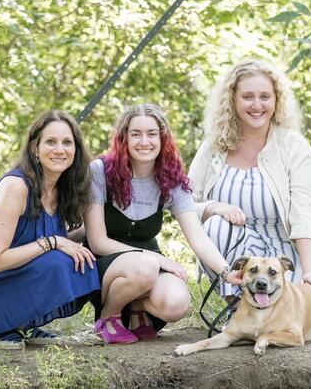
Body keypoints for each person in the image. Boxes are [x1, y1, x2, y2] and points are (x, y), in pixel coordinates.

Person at [84, 103, 238, 344]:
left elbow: (197, 237)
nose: (144, 141)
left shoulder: (171, 178)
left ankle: (137, 305)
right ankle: (108, 316)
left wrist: (227, 272)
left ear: (162, 137)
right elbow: (98, 242)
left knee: (176, 304)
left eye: (152, 134)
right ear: (124, 138)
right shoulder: (100, 171)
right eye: (136, 134)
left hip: (146, 266)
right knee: (145, 266)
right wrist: (158, 259)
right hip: (107, 265)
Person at [0, 110, 100, 348]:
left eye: (67, 142)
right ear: (34, 149)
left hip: (10, 275)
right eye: (50, 142)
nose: (60, 149)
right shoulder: (17, 186)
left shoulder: (62, 189)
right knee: (59, 260)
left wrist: (94, 233)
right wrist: (55, 242)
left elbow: (35, 237)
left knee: (84, 257)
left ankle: (21, 323)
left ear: (76, 150)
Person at [189, 60, 311, 301]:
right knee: (214, 224)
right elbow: (184, 205)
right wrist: (214, 207)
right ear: (233, 100)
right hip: (239, 262)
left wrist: (310, 271)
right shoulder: (213, 147)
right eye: (247, 96)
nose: (257, 105)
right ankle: (236, 308)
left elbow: (305, 213)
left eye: (265, 96)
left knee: (284, 316)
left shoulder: (293, 146)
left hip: (284, 256)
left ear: (276, 100)